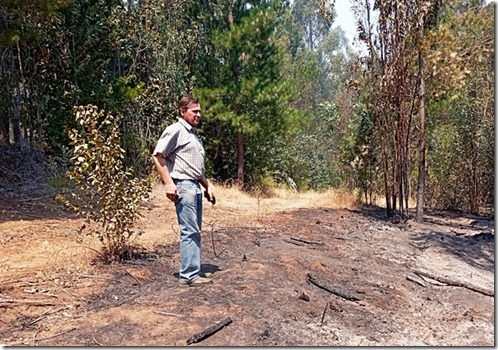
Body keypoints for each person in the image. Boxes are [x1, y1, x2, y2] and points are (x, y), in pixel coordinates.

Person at [152, 96, 216, 286]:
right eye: (194, 111)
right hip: (183, 186)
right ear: (182, 111)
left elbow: (196, 169)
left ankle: (193, 270)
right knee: (189, 231)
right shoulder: (176, 130)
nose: (198, 114)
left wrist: (208, 186)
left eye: (200, 111)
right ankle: (189, 275)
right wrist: (168, 183)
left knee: (194, 230)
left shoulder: (193, 136)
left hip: (194, 186)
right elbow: (158, 156)